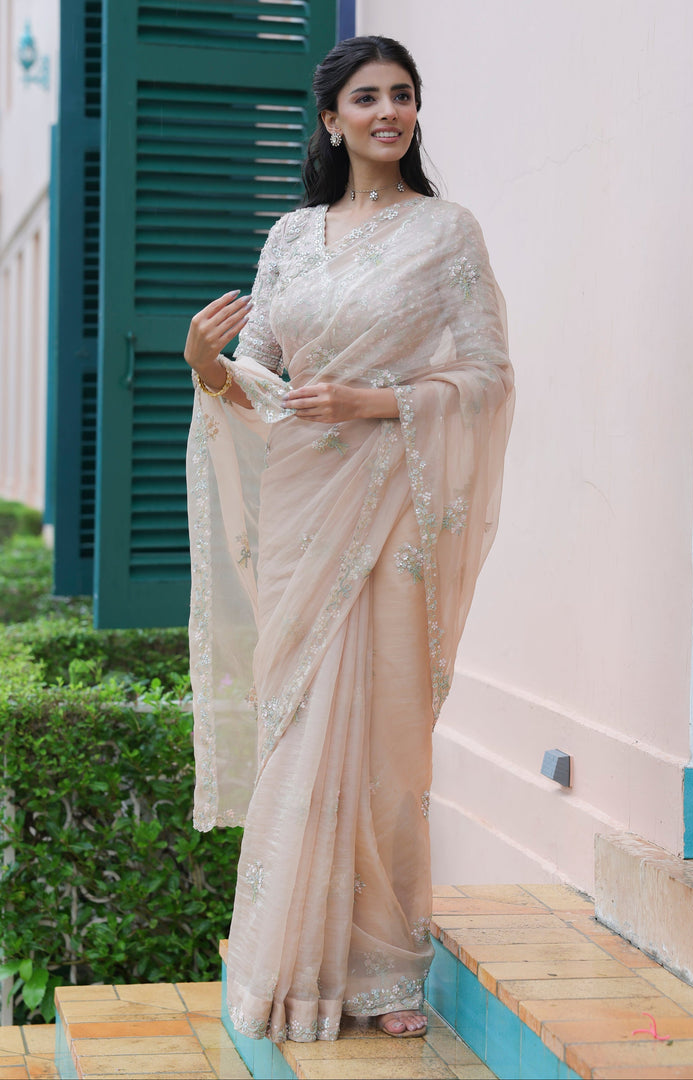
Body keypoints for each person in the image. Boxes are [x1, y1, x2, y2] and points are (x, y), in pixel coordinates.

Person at [183, 35, 514, 1045]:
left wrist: (381, 401)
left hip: (390, 516)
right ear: (331, 120)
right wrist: (204, 366)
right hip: (302, 515)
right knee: (299, 732)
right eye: (366, 98)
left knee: (382, 748)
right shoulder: (289, 239)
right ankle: (288, 962)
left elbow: (491, 380)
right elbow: (261, 379)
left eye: (403, 97)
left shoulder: (448, 234)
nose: (388, 112)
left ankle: (383, 973)